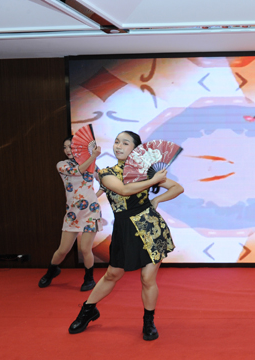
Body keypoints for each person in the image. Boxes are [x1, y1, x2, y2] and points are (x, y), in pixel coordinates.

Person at [68, 131, 184, 341]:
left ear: (136, 149)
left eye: (125, 143)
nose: (118, 146)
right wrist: (152, 181)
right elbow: (123, 190)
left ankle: (148, 322)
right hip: (124, 229)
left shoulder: (145, 172)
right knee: (112, 274)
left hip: (151, 228)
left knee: (147, 278)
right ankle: (88, 309)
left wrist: (157, 200)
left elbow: (177, 188)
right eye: (116, 142)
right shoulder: (106, 173)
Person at [38, 136, 103, 291]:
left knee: (86, 249)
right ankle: (51, 271)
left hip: (91, 212)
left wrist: (94, 197)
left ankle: (89, 279)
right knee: (63, 249)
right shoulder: (62, 165)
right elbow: (77, 171)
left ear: (79, 148)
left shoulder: (93, 164)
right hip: (72, 214)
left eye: (71, 147)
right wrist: (93, 157)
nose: (67, 150)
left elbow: (105, 183)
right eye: (65, 147)